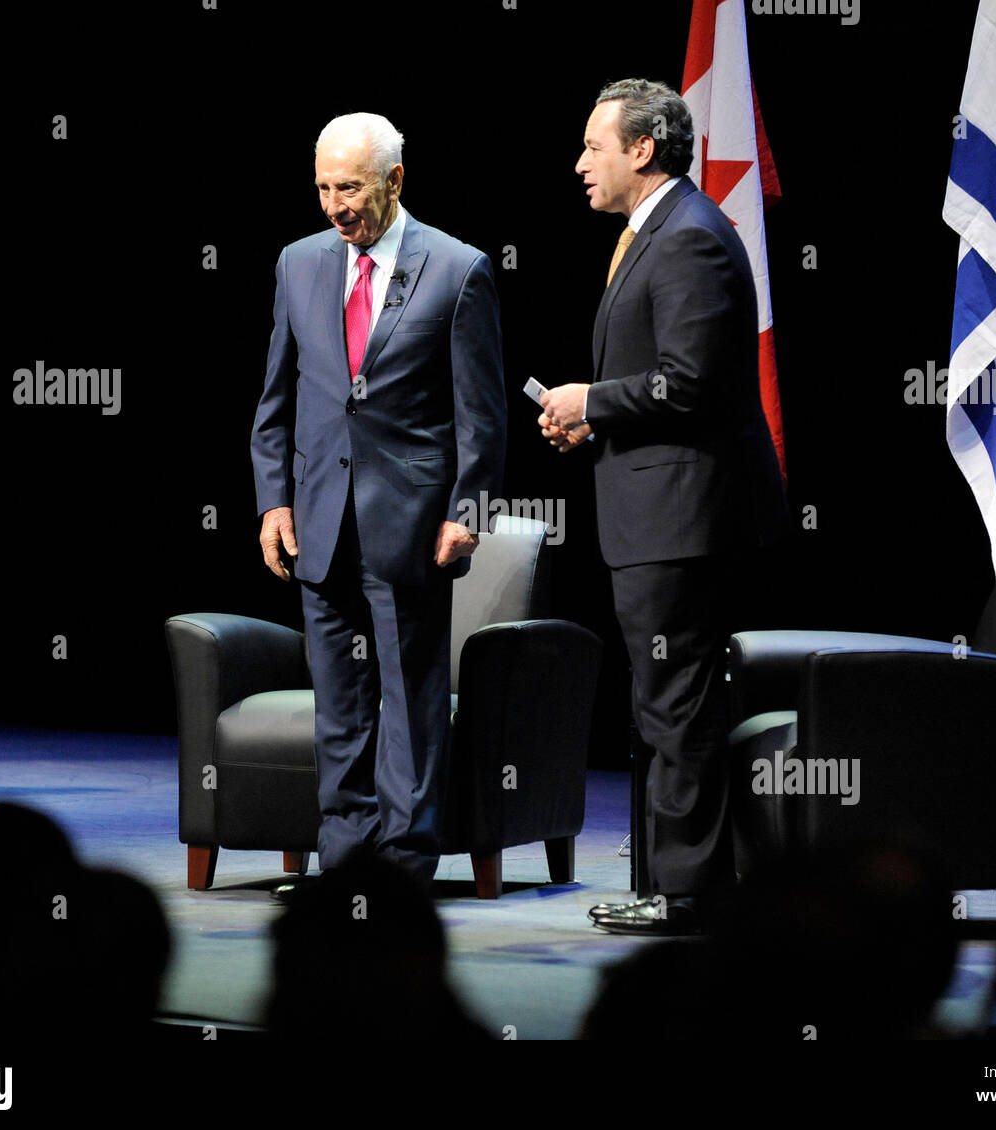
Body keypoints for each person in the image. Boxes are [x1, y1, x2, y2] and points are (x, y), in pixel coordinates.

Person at [539, 79, 787, 935]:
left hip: (684, 519)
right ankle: (668, 881)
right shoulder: (658, 231)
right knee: (663, 700)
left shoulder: (687, 239)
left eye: (592, 147)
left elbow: (689, 383)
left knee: (676, 703)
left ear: (641, 150)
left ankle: (687, 895)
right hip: (657, 509)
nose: (580, 165)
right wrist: (592, 425)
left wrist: (590, 401)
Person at [253, 112, 505, 887]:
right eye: (324, 188)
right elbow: (277, 396)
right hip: (321, 521)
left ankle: (401, 866)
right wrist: (273, 500)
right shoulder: (299, 263)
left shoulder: (458, 269)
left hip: (411, 526)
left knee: (410, 705)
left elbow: (482, 415)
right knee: (339, 703)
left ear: (395, 181)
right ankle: (346, 862)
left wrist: (469, 514)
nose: (335, 205)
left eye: (350, 187)